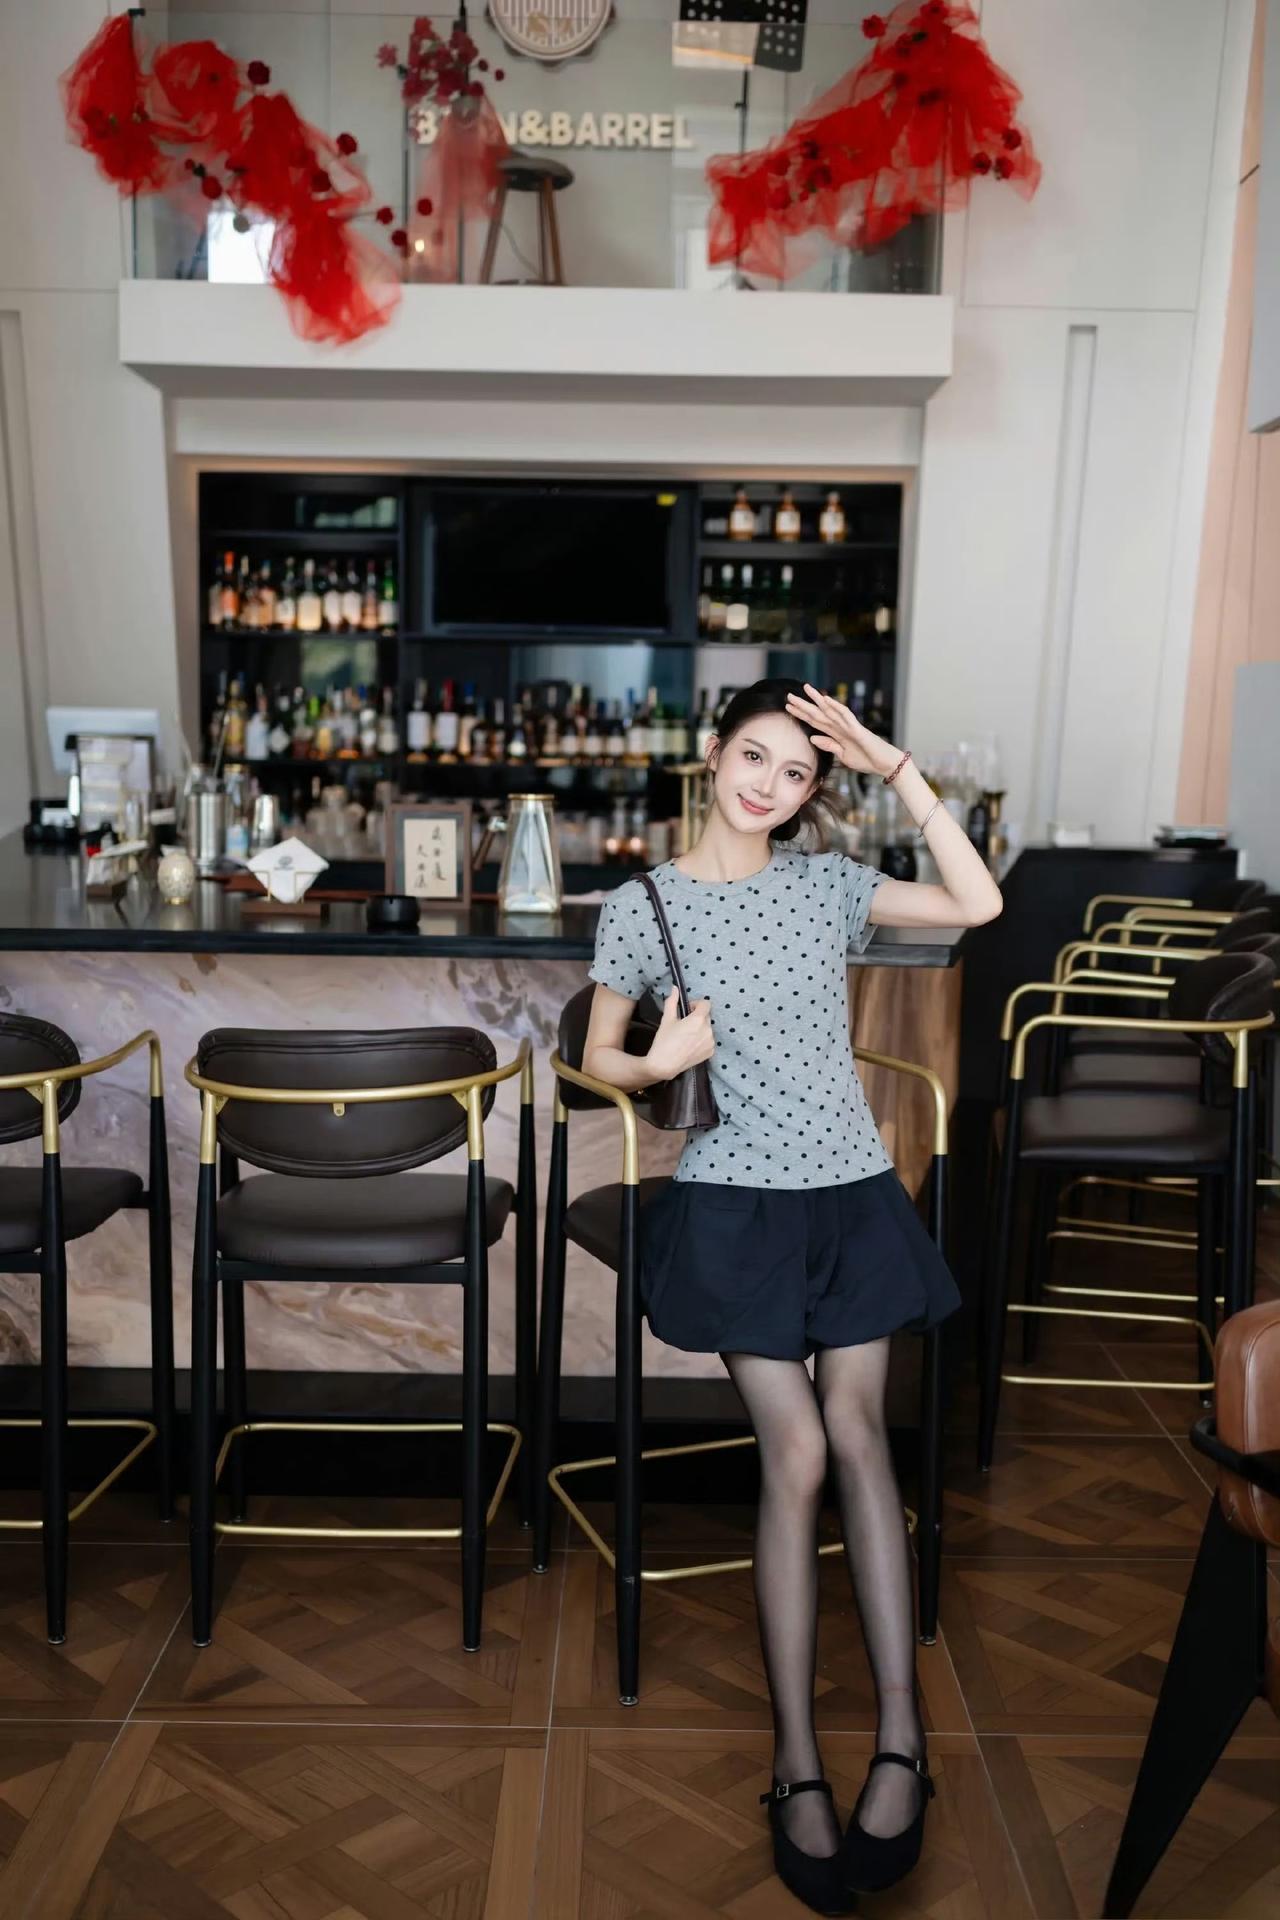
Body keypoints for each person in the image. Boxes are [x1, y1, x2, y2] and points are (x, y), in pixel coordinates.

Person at [582, 678, 1002, 1914]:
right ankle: (795, 1759)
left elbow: (974, 903)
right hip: (731, 1205)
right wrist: (651, 1061)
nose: (766, 784)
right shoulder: (642, 905)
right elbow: (596, 1053)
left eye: (795, 772)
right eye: (753, 756)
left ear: (815, 790)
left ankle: (898, 1737)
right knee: (801, 1448)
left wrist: (895, 769)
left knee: (859, 1435)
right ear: (714, 753)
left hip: (849, 1195)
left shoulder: (826, 887)